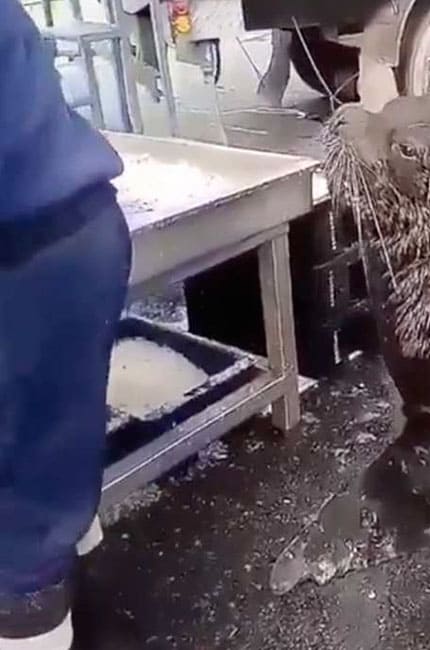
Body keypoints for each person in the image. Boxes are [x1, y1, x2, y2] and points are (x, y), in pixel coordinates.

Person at [0, 1, 132, 648]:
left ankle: (40, 617)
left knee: (23, 530)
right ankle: (93, 600)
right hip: (81, 230)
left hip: (28, 260)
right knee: (59, 447)